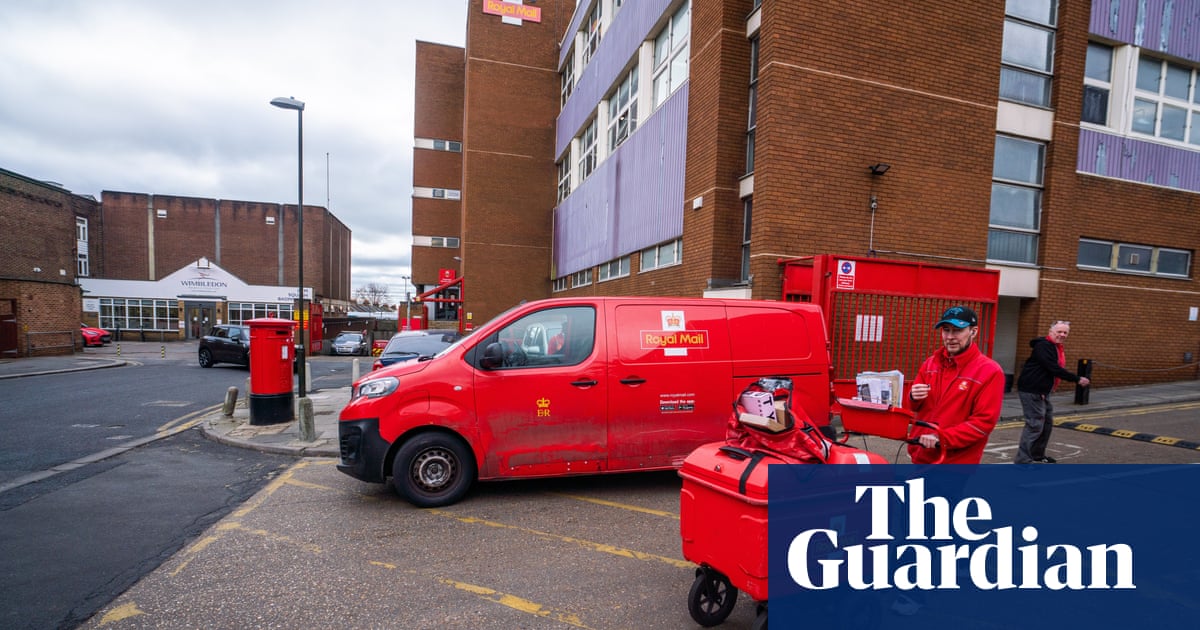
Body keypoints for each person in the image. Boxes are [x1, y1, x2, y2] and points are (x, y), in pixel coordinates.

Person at [907, 305, 1005, 465]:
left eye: (957, 330)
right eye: (946, 330)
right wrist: (913, 397)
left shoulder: (990, 371)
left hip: (955, 462)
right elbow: (914, 407)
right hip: (920, 454)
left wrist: (941, 438)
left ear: (973, 331)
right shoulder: (931, 364)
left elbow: (983, 423)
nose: (950, 337)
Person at [1014, 320, 1090, 464]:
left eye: (1065, 332)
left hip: (1043, 390)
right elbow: (1052, 367)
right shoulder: (1043, 346)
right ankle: (1023, 460)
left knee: (1046, 423)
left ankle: (1037, 455)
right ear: (1051, 332)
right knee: (1035, 424)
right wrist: (1077, 379)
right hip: (1033, 390)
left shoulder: (1055, 347)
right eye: (1059, 332)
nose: (1062, 335)